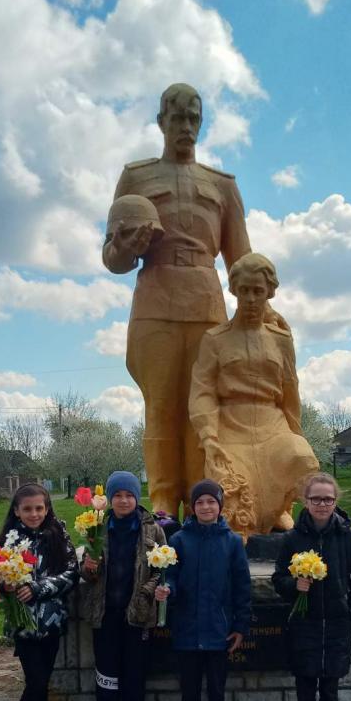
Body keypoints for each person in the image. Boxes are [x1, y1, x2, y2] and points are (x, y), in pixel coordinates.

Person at [102, 83, 252, 517]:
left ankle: (204, 501)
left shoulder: (222, 185)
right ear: (161, 122)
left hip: (207, 307)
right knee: (161, 407)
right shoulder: (136, 177)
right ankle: (165, 504)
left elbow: (241, 260)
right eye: (178, 117)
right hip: (156, 302)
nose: (186, 126)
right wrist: (127, 246)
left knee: (203, 411)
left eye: (194, 118)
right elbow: (112, 258)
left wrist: (259, 316)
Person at [190, 252, 319, 540]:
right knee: (234, 501)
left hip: (273, 425)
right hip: (230, 426)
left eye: (257, 291)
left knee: (302, 458)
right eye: (244, 290)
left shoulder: (281, 339)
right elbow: (203, 391)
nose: (250, 299)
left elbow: (290, 390)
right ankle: (247, 526)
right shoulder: (215, 339)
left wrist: (296, 433)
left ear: (269, 292)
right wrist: (209, 437)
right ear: (234, 290)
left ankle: (279, 508)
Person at [272, 473, 351, 701]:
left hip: (337, 625)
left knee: (329, 689)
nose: (322, 504)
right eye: (316, 499)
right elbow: (278, 578)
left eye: (328, 499)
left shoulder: (349, 537)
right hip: (305, 624)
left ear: (335, 501)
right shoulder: (292, 538)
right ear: (306, 501)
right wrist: (294, 586)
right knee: (305, 686)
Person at [155, 480, 251, 701]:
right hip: (187, 628)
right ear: (192, 507)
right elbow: (171, 576)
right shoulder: (179, 541)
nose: (206, 507)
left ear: (220, 506)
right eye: (200, 502)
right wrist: (167, 590)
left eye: (211, 501)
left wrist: (240, 626)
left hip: (219, 631)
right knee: (190, 689)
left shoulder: (233, 542)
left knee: (217, 689)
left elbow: (242, 588)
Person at [80, 471, 166, 701]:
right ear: (110, 499)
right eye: (117, 495)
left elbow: (162, 569)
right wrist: (88, 568)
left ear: (137, 498)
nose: (124, 500)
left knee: (134, 680)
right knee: (107, 681)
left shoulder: (152, 530)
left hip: (137, 617)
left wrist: (146, 592)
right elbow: (86, 572)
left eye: (129, 495)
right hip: (105, 617)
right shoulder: (96, 528)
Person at [0, 484, 79, 701]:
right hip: (24, 625)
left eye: (39, 508)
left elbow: (71, 572)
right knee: (35, 681)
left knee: (42, 683)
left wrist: (38, 588)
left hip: (51, 621)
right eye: (28, 509)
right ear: (17, 510)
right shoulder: (10, 539)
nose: (34, 514)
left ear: (47, 508)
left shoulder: (57, 534)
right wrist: (6, 585)